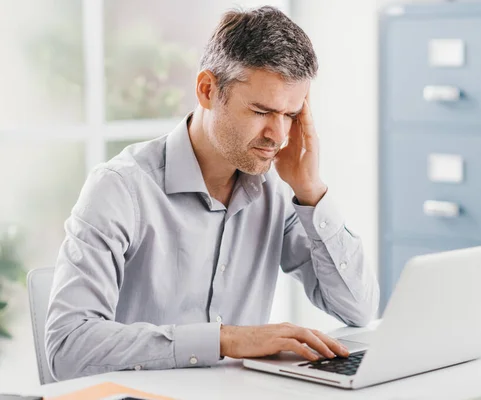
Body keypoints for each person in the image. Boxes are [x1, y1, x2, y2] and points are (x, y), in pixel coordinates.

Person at [45, 6, 379, 381]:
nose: (279, 135)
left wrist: (311, 192)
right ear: (207, 90)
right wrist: (223, 340)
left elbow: (358, 309)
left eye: (290, 115)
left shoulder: (278, 190)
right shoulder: (120, 188)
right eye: (260, 111)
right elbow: (67, 348)